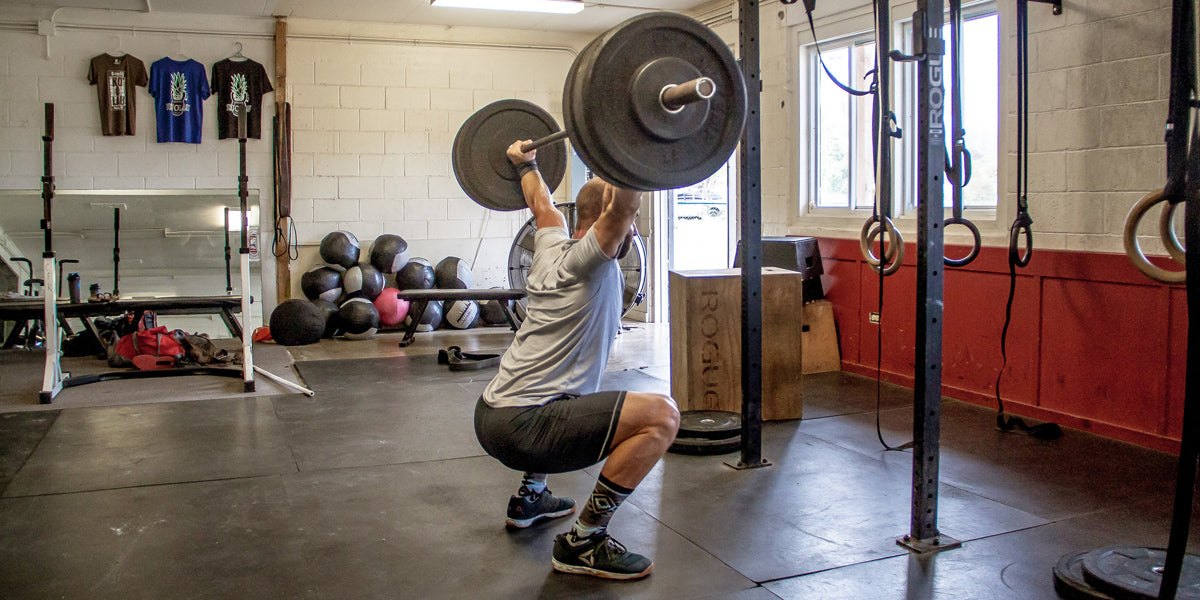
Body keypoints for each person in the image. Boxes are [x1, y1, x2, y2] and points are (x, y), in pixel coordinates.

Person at [473, 140, 680, 581]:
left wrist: (525, 163)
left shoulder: (551, 245)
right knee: (662, 416)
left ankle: (531, 495)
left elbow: (541, 202)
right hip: (523, 428)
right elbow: (622, 208)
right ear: (609, 223)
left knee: (562, 395)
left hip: (491, 413)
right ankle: (584, 541)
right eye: (629, 225)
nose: (632, 230)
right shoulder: (589, 261)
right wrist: (630, 143)